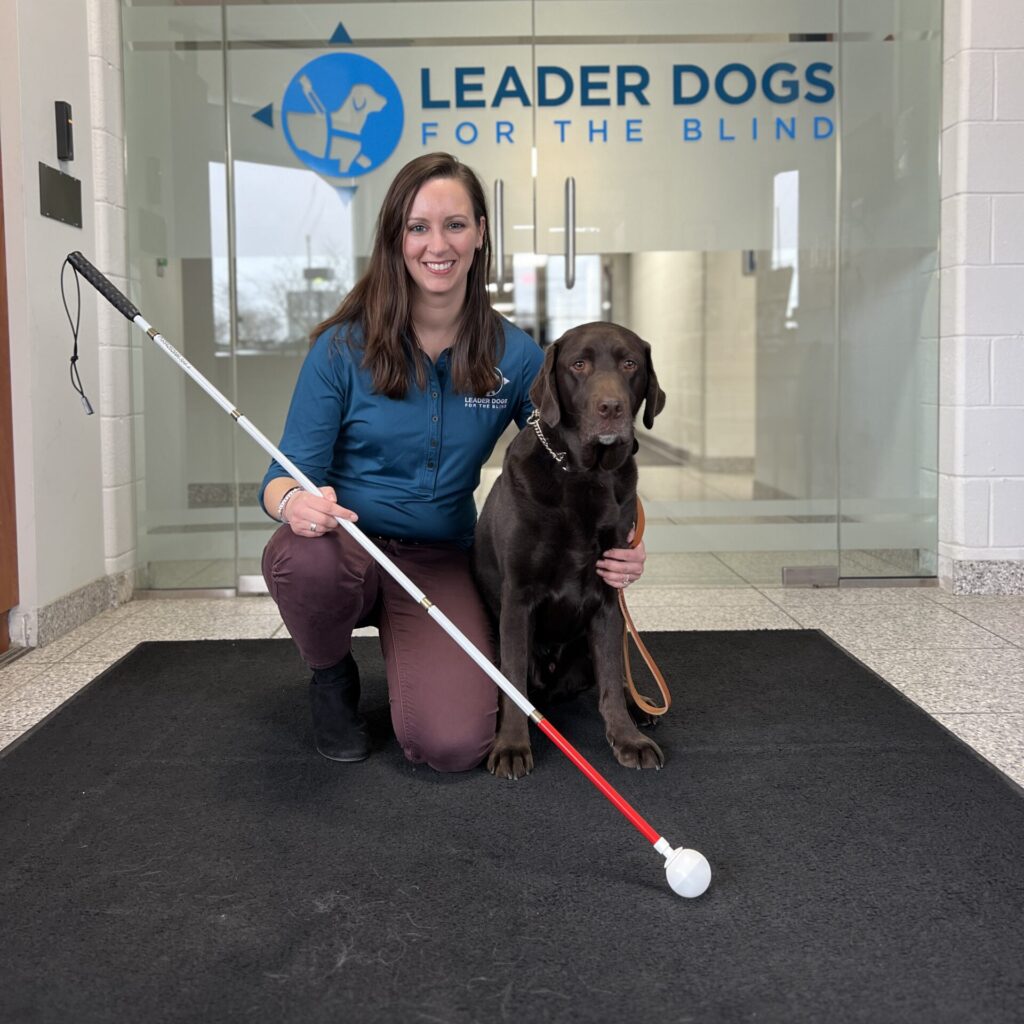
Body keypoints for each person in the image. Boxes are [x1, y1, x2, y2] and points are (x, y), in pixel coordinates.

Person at [259, 152, 647, 773]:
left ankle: (414, 655)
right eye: (418, 227)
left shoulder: (515, 356)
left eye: (455, 225)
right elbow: (280, 479)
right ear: (396, 238)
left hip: (440, 560)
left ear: (480, 234)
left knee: (453, 744)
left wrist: (625, 536)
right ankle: (331, 681)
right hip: (346, 547)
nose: (437, 244)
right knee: (300, 559)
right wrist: (295, 504)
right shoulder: (341, 348)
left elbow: (566, 454)